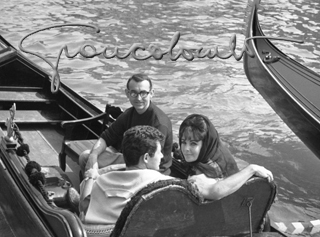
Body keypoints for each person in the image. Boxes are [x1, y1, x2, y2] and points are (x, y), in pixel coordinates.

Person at [79, 73, 173, 176]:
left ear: (151, 93)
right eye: (134, 93)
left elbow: (149, 161)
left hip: (152, 170)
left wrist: (107, 169)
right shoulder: (129, 114)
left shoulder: (159, 123)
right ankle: (91, 188)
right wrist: (93, 156)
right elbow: (106, 137)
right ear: (127, 93)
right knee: (86, 157)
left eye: (143, 93)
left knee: (99, 172)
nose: (138, 98)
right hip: (130, 161)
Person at [80, 125, 173, 225]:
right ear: (146, 158)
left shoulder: (100, 181)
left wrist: (90, 177)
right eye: (159, 152)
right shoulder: (159, 181)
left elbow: (83, 206)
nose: (162, 156)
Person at [178, 114, 274, 200]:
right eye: (183, 142)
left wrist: (252, 169)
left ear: (206, 144)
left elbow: (216, 192)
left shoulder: (215, 166)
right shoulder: (206, 151)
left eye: (193, 144)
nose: (186, 149)